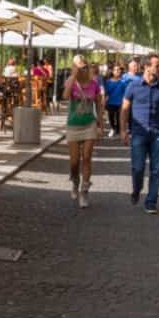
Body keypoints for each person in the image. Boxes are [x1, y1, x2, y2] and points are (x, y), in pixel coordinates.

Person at [121, 54, 159, 214]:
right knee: (138, 168)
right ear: (147, 67)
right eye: (157, 66)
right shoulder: (133, 86)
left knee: (156, 169)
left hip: (156, 132)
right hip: (138, 133)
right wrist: (123, 130)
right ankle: (137, 189)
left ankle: (151, 202)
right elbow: (124, 109)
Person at [63, 54, 105, 208]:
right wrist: (73, 77)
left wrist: (101, 125)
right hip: (73, 124)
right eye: (78, 67)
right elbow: (65, 96)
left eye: (84, 66)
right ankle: (75, 181)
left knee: (86, 157)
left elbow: (99, 107)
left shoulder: (94, 84)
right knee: (74, 162)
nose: (82, 69)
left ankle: (84, 190)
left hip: (89, 124)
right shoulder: (70, 81)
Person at [104, 63, 125, 136]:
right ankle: (113, 128)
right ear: (112, 71)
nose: (117, 71)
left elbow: (125, 93)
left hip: (120, 103)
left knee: (119, 117)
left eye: (118, 70)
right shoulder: (108, 81)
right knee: (111, 117)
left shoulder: (123, 81)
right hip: (111, 102)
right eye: (115, 70)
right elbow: (106, 93)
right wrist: (103, 102)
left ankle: (118, 130)